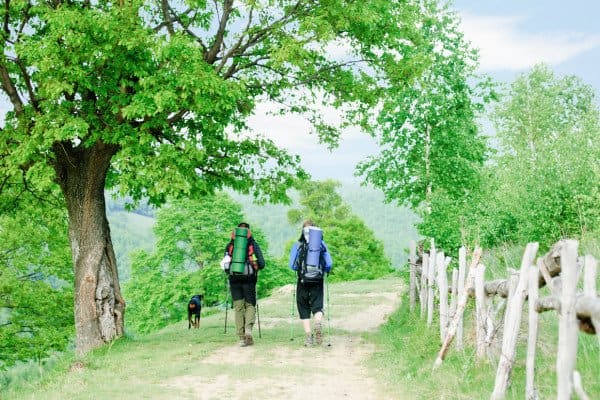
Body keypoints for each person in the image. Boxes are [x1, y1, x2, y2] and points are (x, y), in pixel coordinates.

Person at [288, 220, 333, 346]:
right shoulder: (321, 244)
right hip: (318, 279)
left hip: (302, 280)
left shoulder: (297, 245)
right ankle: (317, 323)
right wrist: (325, 271)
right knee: (317, 305)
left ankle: (308, 337)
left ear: (303, 231)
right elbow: (329, 263)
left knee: (303, 306)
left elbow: (292, 265)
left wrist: (300, 269)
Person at [221, 222, 265, 347]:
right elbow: (262, 263)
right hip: (249, 279)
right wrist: (255, 267)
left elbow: (225, 264)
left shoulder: (231, 245)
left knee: (238, 307)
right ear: (248, 232)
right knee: (250, 305)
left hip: (234, 279)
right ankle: (249, 330)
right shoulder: (253, 244)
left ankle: (241, 338)